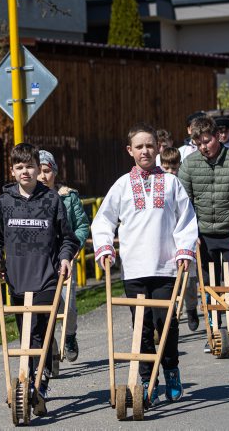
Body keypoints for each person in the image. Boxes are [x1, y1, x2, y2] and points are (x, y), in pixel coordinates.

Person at [92, 123, 198, 406]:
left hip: (165, 266)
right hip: (135, 268)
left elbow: (186, 220)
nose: (145, 151)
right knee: (141, 325)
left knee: (166, 323)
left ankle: (171, 370)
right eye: (139, 146)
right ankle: (145, 379)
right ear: (130, 151)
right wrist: (105, 248)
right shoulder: (122, 185)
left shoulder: (173, 183)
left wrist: (184, 250)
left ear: (158, 148)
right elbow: (104, 219)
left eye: (150, 145)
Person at [0, 143, 77, 413]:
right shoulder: (5, 202)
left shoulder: (51, 200)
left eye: (30, 166)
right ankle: (32, 381)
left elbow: (67, 238)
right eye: (19, 167)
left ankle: (35, 384)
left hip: (47, 277)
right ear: (12, 171)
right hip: (16, 279)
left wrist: (64, 257)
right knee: (24, 336)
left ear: (39, 169)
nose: (25, 171)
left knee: (38, 333)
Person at [178, 115, 229, 349]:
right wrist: (192, 234)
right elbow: (184, 202)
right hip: (203, 236)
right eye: (198, 143)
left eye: (207, 141)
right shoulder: (189, 165)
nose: (204, 147)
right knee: (209, 284)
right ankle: (214, 328)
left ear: (217, 136)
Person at [37, 149, 90, 362]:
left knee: (68, 305)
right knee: (44, 307)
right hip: (40, 261)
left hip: (64, 258)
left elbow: (82, 225)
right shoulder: (31, 199)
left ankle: (69, 336)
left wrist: (73, 246)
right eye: (39, 171)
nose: (43, 176)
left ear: (55, 173)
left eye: (47, 171)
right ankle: (49, 346)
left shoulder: (68, 197)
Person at [160, 146, 200, 331]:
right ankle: (172, 313)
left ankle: (191, 308)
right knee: (169, 280)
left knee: (190, 280)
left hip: (184, 237)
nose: (170, 172)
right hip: (166, 239)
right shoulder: (159, 186)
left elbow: (192, 211)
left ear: (179, 167)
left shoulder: (183, 184)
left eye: (174, 169)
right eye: (166, 168)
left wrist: (194, 235)